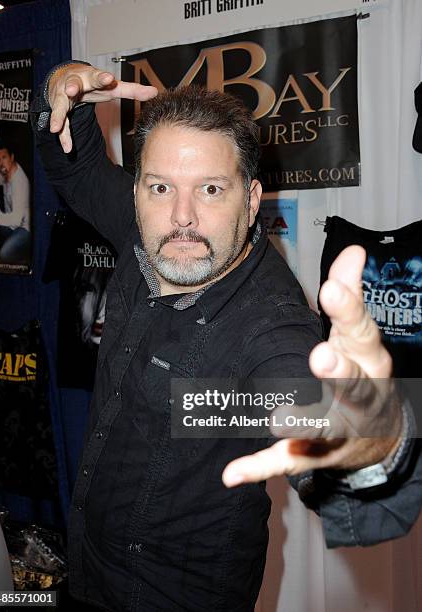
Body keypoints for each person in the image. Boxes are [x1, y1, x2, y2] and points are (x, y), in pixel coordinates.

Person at [31, 63, 421, 612]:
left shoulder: (270, 321)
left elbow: (328, 436)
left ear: (252, 197)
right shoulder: (149, 224)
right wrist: (59, 91)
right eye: (161, 186)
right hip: (88, 571)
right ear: (139, 189)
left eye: (211, 189)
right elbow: (77, 168)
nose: (182, 218)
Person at [0, 145, 31, 263]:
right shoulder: (7, 173)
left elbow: (16, 220)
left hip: (24, 229)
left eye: (4, 157)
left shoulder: (19, 182)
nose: (1, 163)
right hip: (10, 225)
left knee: (5, 254)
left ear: (11, 157)